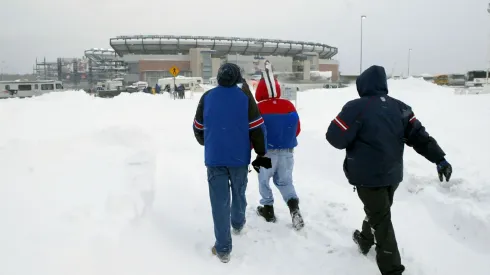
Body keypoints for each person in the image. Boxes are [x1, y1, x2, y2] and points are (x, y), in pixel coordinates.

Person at [325, 65, 452, 275]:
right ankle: (365, 240)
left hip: (367, 177)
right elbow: (419, 137)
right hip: (393, 175)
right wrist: (440, 159)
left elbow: (335, 138)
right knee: (379, 213)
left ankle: (392, 270)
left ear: (362, 85)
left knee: (382, 222)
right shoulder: (401, 108)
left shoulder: (356, 107)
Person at [192, 63, 272, 263]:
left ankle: (223, 248)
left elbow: (197, 126)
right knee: (238, 192)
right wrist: (261, 152)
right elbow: (256, 128)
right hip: (239, 158)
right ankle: (237, 223)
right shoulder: (245, 97)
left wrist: (207, 141)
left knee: (219, 202)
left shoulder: (207, 97)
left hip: (215, 157)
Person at [253, 61, 304, 230]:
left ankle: (268, 209)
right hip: (288, 152)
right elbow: (297, 129)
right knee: (285, 182)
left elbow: (254, 131)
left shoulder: (258, 108)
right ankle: (294, 210)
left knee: (264, 180)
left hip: (266, 153)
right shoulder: (289, 105)